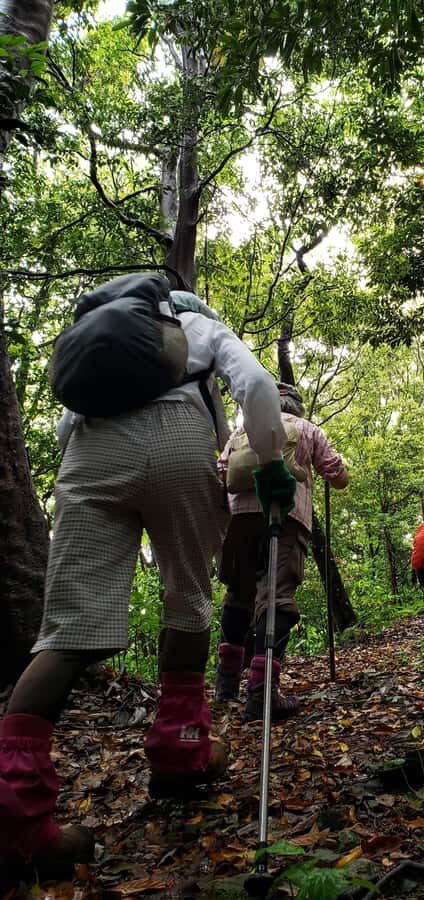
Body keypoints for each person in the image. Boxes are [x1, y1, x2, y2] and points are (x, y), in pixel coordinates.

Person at [0, 275, 295, 877]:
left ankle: (17, 817)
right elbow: (258, 386)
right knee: (188, 598)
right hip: (178, 444)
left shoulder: (92, 354)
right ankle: (180, 752)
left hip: (88, 454)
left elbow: (63, 426)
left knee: (66, 632)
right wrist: (269, 464)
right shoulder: (197, 327)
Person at [215, 383, 348, 721]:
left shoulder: (243, 429)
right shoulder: (307, 429)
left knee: (238, 594)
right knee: (277, 596)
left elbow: (221, 471)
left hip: (241, 518)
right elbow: (337, 476)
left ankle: (225, 685)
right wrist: (336, 472)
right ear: (297, 405)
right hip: (287, 516)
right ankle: (262, 691)